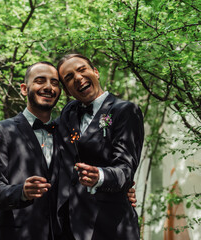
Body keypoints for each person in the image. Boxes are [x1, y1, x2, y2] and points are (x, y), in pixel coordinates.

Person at [55, 53, 144, 240]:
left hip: (110, 226)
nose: (78, 78)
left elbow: (125, 170)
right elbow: (44, 132)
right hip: (69, 227)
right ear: (67, 91)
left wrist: (100, 176)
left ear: (95, 72)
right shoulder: (68, 112)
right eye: (69, 77)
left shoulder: (125, 111)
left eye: (82, 70)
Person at [0, 62, 62, 240]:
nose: (48, 87)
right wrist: (22, 192)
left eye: (54, 83)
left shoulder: (66, 132)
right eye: (40, 81)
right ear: (24, 89)